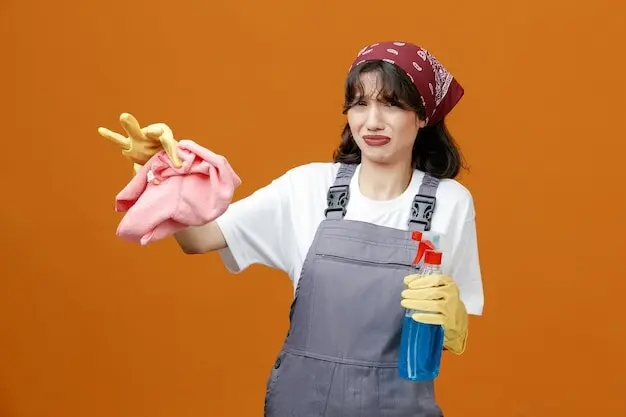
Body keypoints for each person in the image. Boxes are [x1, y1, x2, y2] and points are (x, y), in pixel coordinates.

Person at [103, 40, 484, 417]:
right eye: (359, 103)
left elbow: (449, 327)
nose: (372, 121)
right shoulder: (307, 188)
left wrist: (454, 324)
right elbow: (200, 239)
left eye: (391, 104)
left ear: (422, 115)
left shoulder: (450, 203)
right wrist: (167, 179)